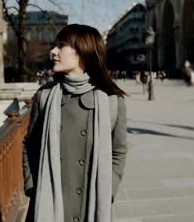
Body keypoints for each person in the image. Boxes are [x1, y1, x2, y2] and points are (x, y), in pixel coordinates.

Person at [22, 24, 128, 222]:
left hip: (94, 205)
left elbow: (119, 152)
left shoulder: (112, 100)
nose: (53, 51)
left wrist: (109, 190)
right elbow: (30, 146)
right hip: (48, 206)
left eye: (61, 46)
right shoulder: (44, 97)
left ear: (82, 52)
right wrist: (33, 188)